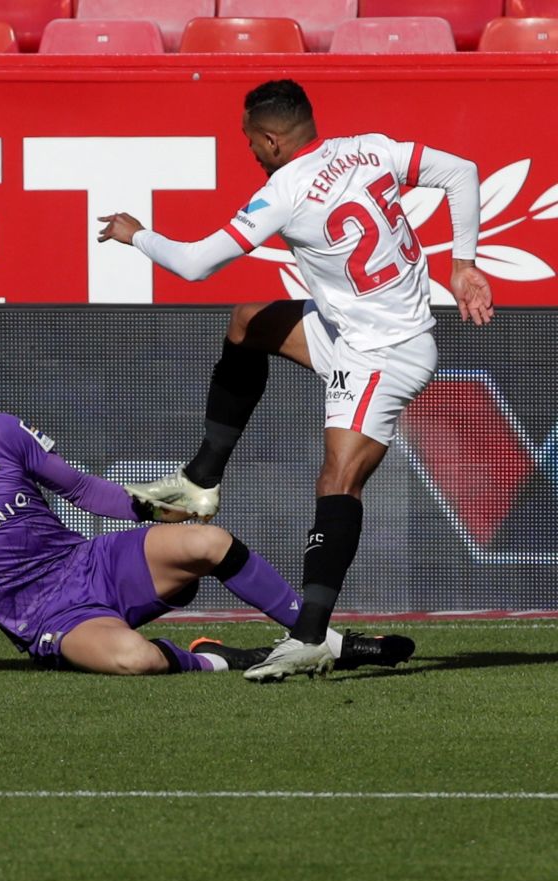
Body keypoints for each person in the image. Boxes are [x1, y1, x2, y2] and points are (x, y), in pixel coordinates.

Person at [97, 79, 493, 682]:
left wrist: (137, 235)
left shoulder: (284, 191)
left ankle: (308, 635)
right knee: (248, 324)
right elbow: (461, 171)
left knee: (338, 480)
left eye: (251, 141)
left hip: (380, 354)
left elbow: (197, 263)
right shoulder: (371, 148)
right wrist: (462, 264)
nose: (250, 152)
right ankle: (201, 480)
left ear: (273, 138)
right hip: (348, 328)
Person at [0, 364, 413, 678]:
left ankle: (313, 636)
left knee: (209, 540)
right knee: (135, 660)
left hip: (88, 564)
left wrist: (150, 508)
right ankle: (212, 659)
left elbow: (81, 490)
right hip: (44, 615)